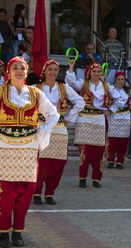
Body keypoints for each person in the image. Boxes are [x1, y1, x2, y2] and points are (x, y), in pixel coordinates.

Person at [0, 56, 59, 248]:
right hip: (4, 148)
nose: (19, 71)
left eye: (22, 68)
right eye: (15, 68)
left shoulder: (36, 94)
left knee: (25, 192)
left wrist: (41, 133)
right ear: (8, 73)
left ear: (27, 72)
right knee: (5, 193)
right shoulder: (0, 91)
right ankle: (4, 233)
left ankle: (18, 231)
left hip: (27, 149)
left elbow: (53, 114)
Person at [33, 59, 85, 205]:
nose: (53, 72)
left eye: (56, 69)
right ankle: (36, 192)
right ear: (44, 71)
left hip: (59, 128)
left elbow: (80, 102)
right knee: (41, 162)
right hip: (42, 127)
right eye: (50, 69)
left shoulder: (63, 87)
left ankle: (50, 193)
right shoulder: (35, 88)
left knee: (58, 162)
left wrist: (69, 118)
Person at [65, 62, 118, 188]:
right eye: (94, 71)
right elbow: (71, 84)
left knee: (99, 151)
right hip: (84, 119)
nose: (96, 74)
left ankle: (96, 179)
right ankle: (82, 178)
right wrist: (71, 68)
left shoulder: (106, 86)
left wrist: (111, 110)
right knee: (84, 150)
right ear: (89, 72)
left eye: (99, 71)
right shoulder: (83, 83)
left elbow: (119, 98)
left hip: (99, 119)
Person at [107, 72, 131, 169]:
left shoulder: (128, 91)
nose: (121, 81)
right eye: (119, 79)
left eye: (122, 79)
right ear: (115, 80)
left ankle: (120, 160)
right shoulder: (110, 89)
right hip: (113, 116)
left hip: (125, 116)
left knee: (123, 140)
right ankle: (110, 159)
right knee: (112, 139)